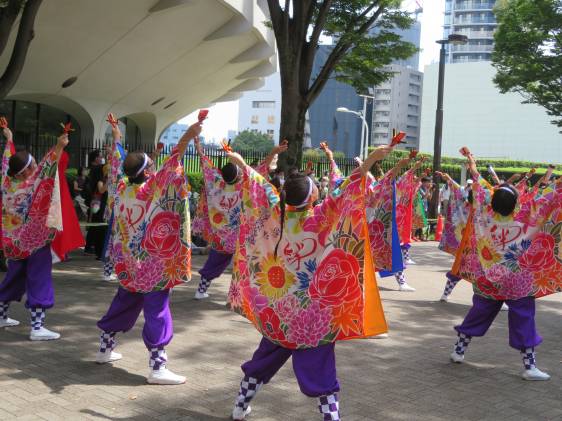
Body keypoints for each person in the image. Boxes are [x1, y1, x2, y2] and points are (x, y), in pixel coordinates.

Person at [225, 144, 393, 420]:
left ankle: (239, 407)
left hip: (278, 311)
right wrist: (372, 159)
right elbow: (347, 188)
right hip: (312, 316)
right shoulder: (321, 215)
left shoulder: (273, 209)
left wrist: (241, 161)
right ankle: (331, 417)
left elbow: (256, 182)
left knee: (262, 361)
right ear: (313, 195)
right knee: (322, 372)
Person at [95, 120, 201, 384]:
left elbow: (118, 164)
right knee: (157, 311)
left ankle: (104, 349)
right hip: (152, 265)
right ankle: (157, 368)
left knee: (123, 304)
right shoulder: (151, 190)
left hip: (129, 263)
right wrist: (187, 136)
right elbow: (171, 165)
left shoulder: (120, 188)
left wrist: (117, 137)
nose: (155, 168)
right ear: (146, 173)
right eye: (151, 166)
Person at [449, 147, 562, 380]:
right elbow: (547, 197)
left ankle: (458, 351)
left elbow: (478, 185)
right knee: (523, 319)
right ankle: (529, 367)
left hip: (487, 279)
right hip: (516, 281)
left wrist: (471, 162)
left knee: (478, 313)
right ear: (515, 202)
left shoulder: (483, 215)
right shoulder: (524, 219)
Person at [191, 139, 288, 300]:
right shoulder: (243, 184)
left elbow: (204, 163)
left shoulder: (216, 183)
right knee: (248, 265)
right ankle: (246, 296)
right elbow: (260, 170)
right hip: (241, 237)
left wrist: (198, 146)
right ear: (238, 175)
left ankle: (200, 290)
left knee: (213, 263)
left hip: (222, 237)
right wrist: (273, 153)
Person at [0, 119, 68, 340]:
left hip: (13, 245)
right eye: (33, 164)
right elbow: (47, 168)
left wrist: (9, 140)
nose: (36, 165)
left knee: (13, 278)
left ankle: (1, 316)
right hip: (35, 243)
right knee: (39, 279)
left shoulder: (5, 184)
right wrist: (58, 146)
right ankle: (37, 327)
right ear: (28, 169)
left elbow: (6, 162)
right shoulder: (32, 185)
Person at [51, 150, 85, 262]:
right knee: (62, 221)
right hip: (59, 189)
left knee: (59, 222)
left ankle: (60, 251)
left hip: (57, 187)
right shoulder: (60, 155)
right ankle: (60, 251)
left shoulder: (55, 154)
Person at [84, 149, 108, 258]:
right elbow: (100, 189)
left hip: (96, 201)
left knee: (95, 225)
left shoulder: (94, 169)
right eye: (100, 156)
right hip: (97, 201)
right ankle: (92, 248)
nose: (101, 158)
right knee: (97, 225)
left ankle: (90, 247)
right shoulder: (97, 171)